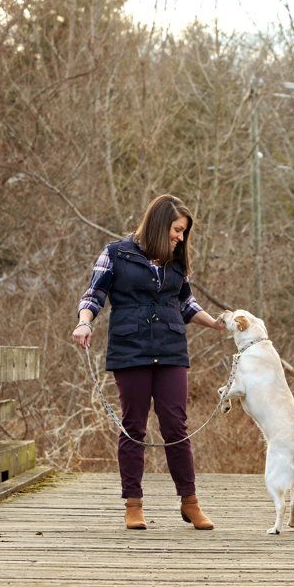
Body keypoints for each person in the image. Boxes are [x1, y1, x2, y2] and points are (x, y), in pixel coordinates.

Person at [72, 194, 225, 530]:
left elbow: (186, 304)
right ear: (158, 224)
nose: (180, 237)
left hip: (171, 350)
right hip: (130, 351)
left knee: (176, 426)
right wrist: (85, 321)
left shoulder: (177, 261)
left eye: (183, 232)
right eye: (176, 230)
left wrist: (214, 323)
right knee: (134, 426)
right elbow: (94, 294)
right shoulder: (116, 254)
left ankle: (190, 502)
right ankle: (134, 504)